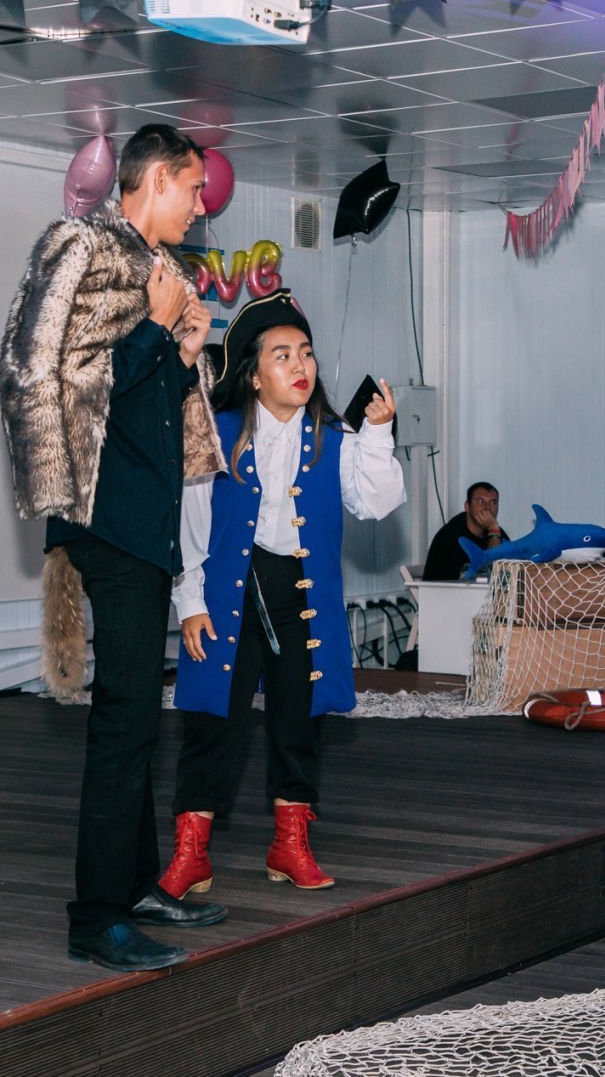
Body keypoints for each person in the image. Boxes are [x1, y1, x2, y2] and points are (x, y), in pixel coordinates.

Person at [0, 124, 229, 973]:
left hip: (145, 522)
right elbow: (52, 376)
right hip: (106, 521)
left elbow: (143, 401)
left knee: (137, 718)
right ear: (157, 179)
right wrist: (153, 329)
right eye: (193, 188)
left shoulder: (159, 270)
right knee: (125, 720)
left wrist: (182, 351)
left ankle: (134, 885)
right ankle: (95, 916)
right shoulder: (83, 247)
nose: (200, 206)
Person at [159, 289, 405, 900]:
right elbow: (189, 521)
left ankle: (289, 844)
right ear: (253, 373)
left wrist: (378, 434)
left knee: (299, 719)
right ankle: (191, 853)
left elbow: (376, 503)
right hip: (227, 595)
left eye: (306, 353)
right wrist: (190, 601)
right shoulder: (217, 432)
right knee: (211, 720)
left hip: (301, 596)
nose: (301, 366)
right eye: (283, 355)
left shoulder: (336, 437)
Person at [422, 482, 510, 580]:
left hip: (474, 588)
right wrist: (493, 530)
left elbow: (509, 570)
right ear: (467, 506)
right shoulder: (451, 535)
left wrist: (494, 531)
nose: (487, 508)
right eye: (481, 501)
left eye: (493, 503)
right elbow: (488, 571)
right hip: (444, 588)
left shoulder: (495, 530)